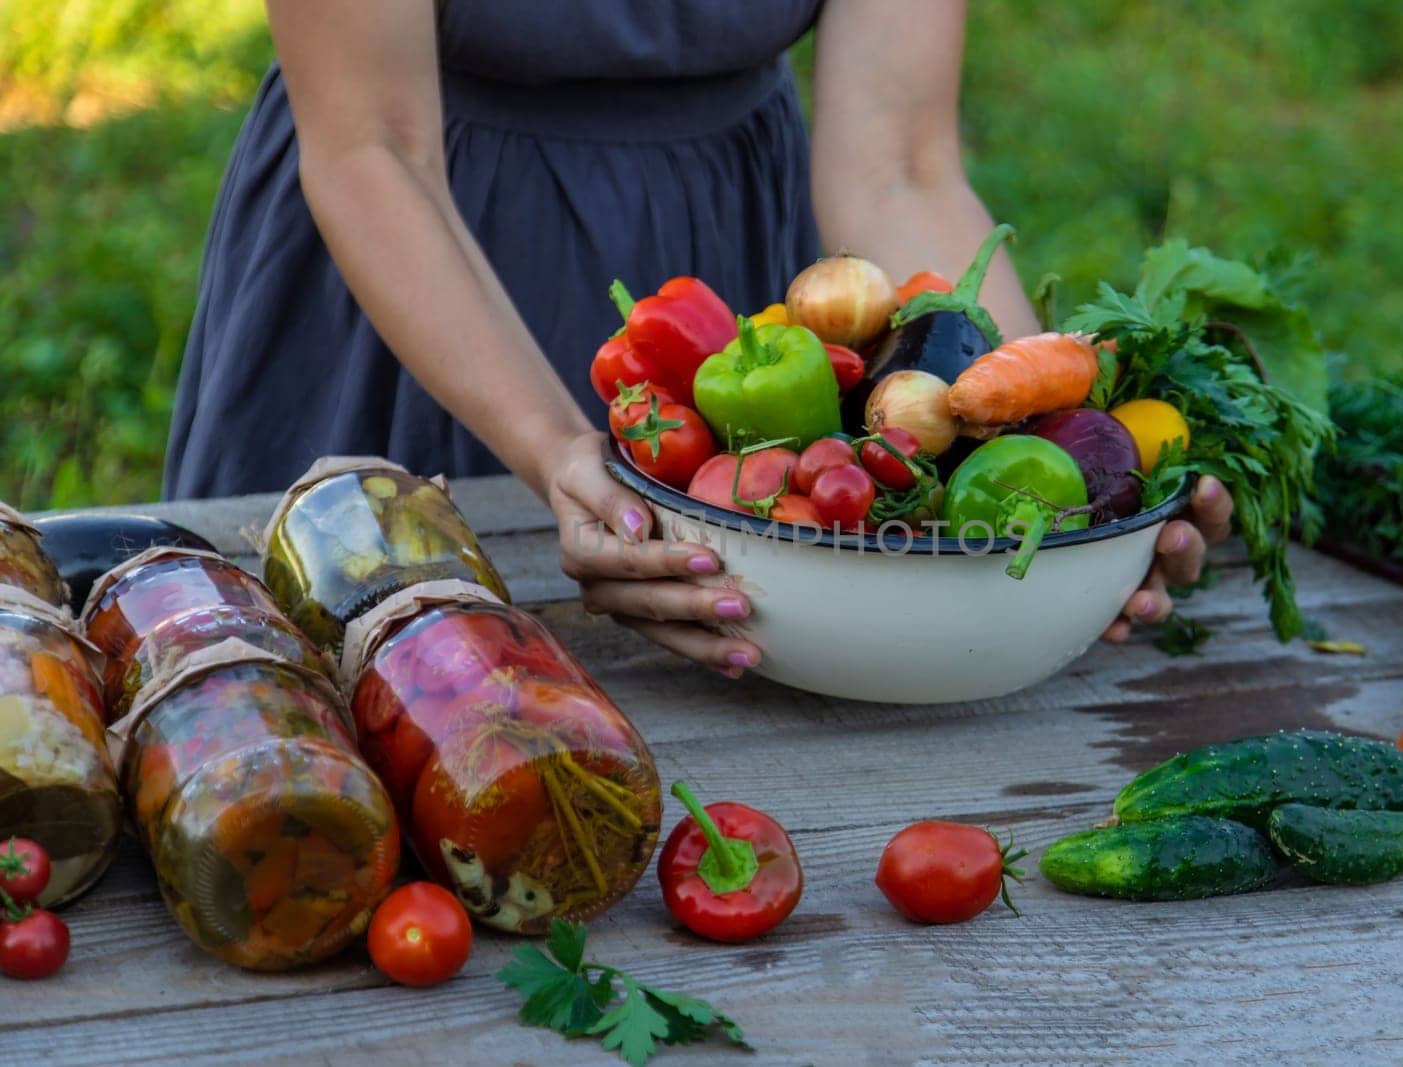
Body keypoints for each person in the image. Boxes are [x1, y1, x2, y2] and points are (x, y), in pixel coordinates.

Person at [163, 0, 1233, 675]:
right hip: (415, 278)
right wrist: (563, 454)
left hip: (722, 278)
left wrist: (1053, 445)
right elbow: (372, 149)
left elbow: (895, 163)